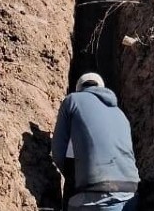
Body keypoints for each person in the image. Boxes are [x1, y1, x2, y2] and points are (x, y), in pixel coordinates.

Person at [53, 73, 140, 211]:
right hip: (131, 195)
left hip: (97, 198)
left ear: (79, 89)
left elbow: (58, 152)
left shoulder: (72, 100)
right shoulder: (120, 114)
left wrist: (75, 179)